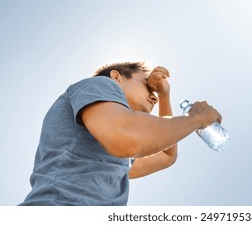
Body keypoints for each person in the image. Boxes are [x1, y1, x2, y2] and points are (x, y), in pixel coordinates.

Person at [20, 61, 222, 205]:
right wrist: (195, 119)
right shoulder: (99, 84)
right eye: (147, 86)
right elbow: (128, 139)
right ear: (116, 77)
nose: (154, 99)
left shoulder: (109, 141)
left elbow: (167, 155)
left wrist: (164, 95)